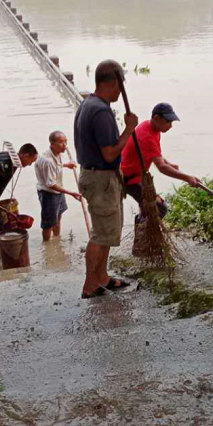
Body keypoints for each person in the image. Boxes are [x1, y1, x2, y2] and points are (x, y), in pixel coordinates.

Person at [73, 60, 139, 299]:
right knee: (101, 235)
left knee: (107, 230)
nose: (122, 93)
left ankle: (102, 277)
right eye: (120, 87)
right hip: (100, 178)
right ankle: (90, 285)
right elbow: (110, 152)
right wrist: (129, 129)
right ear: (112, 83)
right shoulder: (100, 110)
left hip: (98, 175)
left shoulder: (88, 104)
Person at [120, 102, 201, 219]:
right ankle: (143, 233)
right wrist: (187, 178)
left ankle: (141, 229)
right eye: (168, 121)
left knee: (148, 208)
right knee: (159, 208)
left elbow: (155, 154)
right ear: (156, 118)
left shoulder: (151, 127)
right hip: (130, 179)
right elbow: (161, 167)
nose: (170, 125)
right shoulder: (147, 136)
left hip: (137, 175)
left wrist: (169, 164)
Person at [35, 131, 82, 242]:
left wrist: (66, 165)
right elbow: (50, 184)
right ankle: (47, 246)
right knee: (48, 223)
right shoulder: (48, 161)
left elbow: (56, 166)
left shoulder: (56, 153)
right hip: (49, 193)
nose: (65, 145)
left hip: (58, 190)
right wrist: (71, 193)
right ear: (52, 144)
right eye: (61, 142)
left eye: (66, 141)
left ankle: (56, 240)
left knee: (58, 216)